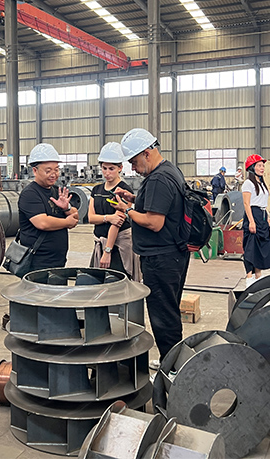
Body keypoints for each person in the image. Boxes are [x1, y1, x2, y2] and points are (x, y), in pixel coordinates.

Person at [110, 128, 189, 370]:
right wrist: (134, 199)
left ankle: (172, 369)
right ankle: (172, 361)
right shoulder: (170, 170)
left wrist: (126, 210)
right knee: (169, 310)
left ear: (146, 153)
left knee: (163, 316)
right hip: (173, 255)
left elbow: (154, 222)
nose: (133, 168)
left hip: (160, 258)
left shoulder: (157, 179)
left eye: (134, 162)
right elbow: (161, 205)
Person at [18, 143, 79, 271]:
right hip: (37, 262)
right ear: (35, 171)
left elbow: (75, 216)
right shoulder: (30, 194)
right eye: (48, 170)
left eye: (56, 170)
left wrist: (67, 208)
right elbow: (42, 223)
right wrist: (66, 222)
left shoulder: (56, 191)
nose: (54, 174)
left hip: (58, 260)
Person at [87, 142, 139, 280]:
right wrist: (108, 218)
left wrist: (108, 251)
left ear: (120, 168)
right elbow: (91, 218)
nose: (107, 173)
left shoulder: (123, 190)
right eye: (104, 168)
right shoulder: (96, 190)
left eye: (111, 168)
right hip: (100, 242)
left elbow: (117, 222)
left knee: (117, 281)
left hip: (117, 247)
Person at [241, 155, 270, 286]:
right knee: (251, 247)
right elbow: (247, 204)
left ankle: (258, 275)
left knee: (261, 246)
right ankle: (249, 277)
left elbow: (263, 203)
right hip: (253, 214)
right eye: (259, 165)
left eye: (263, 166)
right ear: (252, 167)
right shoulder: (248, 183)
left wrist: (266, 218)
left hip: (262, 215)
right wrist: (251, 221)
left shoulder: (261, 183)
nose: (262, 168)